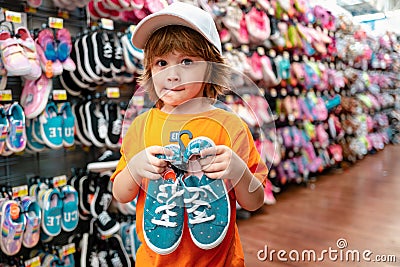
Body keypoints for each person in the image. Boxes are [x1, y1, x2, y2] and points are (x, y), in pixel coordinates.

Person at [111, 2, 269, 266]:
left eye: (186, 61)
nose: (172, 75)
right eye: (161, 62)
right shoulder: (141, 126)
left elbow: (254, 201)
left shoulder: (230, 126)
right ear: (150, 69)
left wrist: (239, 171)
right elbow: (121, 193)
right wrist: (135, 168)